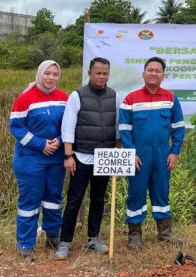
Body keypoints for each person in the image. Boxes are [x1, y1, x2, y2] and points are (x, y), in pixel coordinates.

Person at [54, 57, 118, 260]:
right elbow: (68, 126)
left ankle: (93, 239)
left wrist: (116, 152)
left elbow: (117, 127)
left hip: (105, 157)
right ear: (89, 73)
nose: (102, 77)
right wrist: (68, 155)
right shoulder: (77, 95)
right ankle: (65, 242)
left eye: (105, 73)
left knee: (99, 199)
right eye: (98, 73)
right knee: (74, 200)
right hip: (81, 157)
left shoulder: (114, 96)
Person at [119, 57, 186, 250]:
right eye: (150, 70)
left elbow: (178, 127)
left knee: (161, 192)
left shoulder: (171, 98)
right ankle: (134, 236)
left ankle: (165, 233)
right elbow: (124, 129)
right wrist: (131, 153)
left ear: (163, 75)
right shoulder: (130, 99)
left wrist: (175, 152)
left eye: (158, 70)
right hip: (139, 155)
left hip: (163, 153)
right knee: (136, 193)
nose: (154, 73)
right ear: (143, 73)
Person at [10, 60, 68, 259]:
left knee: (53, 199)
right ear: (40, 74)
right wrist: (40, 145)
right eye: (47, 73)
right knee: (30, 201)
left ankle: (53, 236)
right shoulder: (25, 98)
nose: (51, 78)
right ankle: (26, 244)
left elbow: (69, 125)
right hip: (30, 159)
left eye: (55, 74)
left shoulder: (64, 98)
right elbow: (16, 126)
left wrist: (60, 141)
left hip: (56, 157)